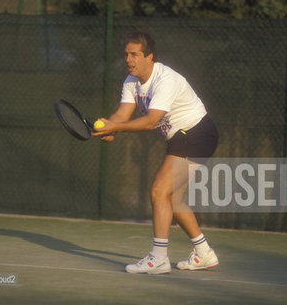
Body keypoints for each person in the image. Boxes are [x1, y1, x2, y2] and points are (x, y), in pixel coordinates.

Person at [92, 31, 219, 274]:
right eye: (126, 55)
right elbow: (122, 115)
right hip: (181, 137)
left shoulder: (165, 80)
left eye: (135, 55)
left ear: (150, 57)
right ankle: (204, 253)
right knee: (172, 197)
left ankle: (158, 258)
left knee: (159, 190)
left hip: (197, 132)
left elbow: (150, 121)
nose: (129, 60)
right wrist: (110, 127)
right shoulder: (131, 81)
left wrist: (115, 128)